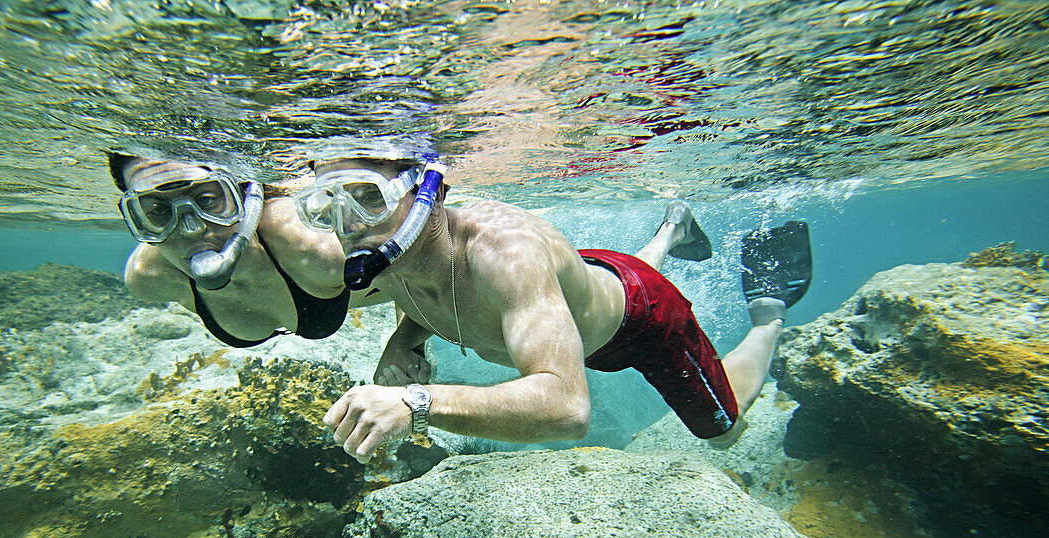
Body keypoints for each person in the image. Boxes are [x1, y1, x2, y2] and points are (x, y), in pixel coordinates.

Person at [303, 157, 811, 464]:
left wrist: (415, 403)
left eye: (368, 196)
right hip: (582, 291)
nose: (347, 224)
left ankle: (769, 319)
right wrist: (400, 343)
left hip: (643, 320)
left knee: (724, 436)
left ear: (428, 194)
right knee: (592, 288)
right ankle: (673, 228)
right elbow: (434, 295)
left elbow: (568, 407)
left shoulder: (504, 255)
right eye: (327, 203)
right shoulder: (390, 255)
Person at [109, 153, 392, 349]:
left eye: (207, 200)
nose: (191, 229)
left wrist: (405, 342)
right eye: (158, 211)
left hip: (370, 291)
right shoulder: (149, 277)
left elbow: (422, 271)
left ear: (246, 196)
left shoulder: (314, 246)